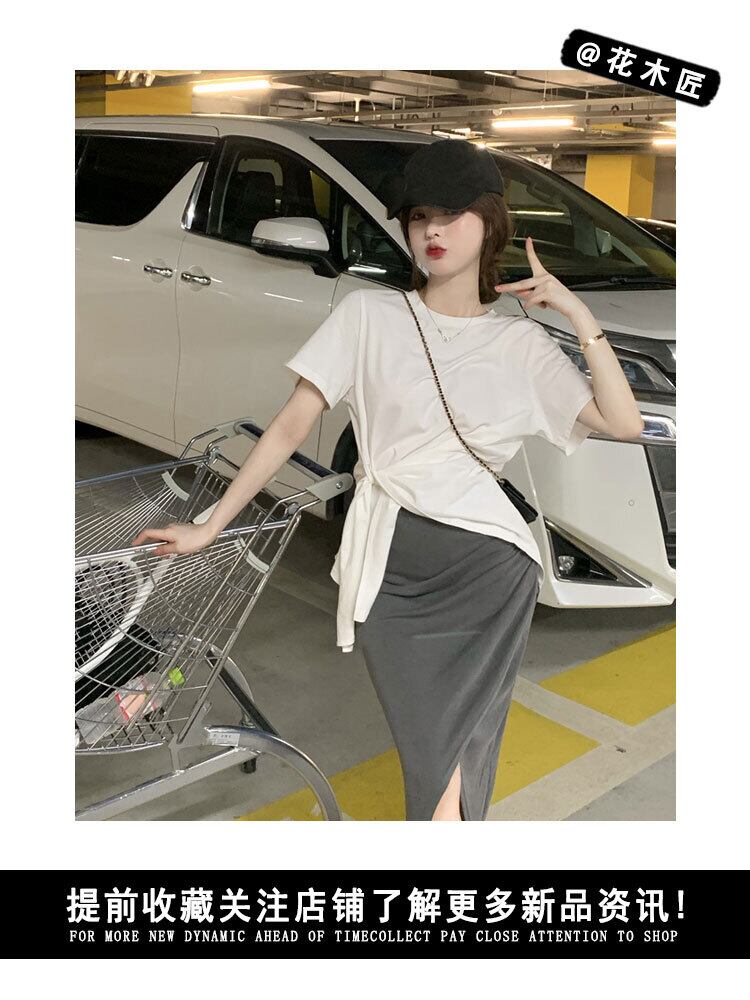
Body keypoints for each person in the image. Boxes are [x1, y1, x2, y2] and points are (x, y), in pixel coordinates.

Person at [131, 139, 644, 822]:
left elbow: (623, 423)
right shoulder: (368, 316)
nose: (432, 231)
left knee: (455, 750)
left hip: (488, 569)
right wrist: (211, 524)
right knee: (433, 740)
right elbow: (288, 427)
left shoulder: (519, 343)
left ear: (490, 222)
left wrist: (579, 317)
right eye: (419, 216)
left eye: (451, 214)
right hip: (389, 560)